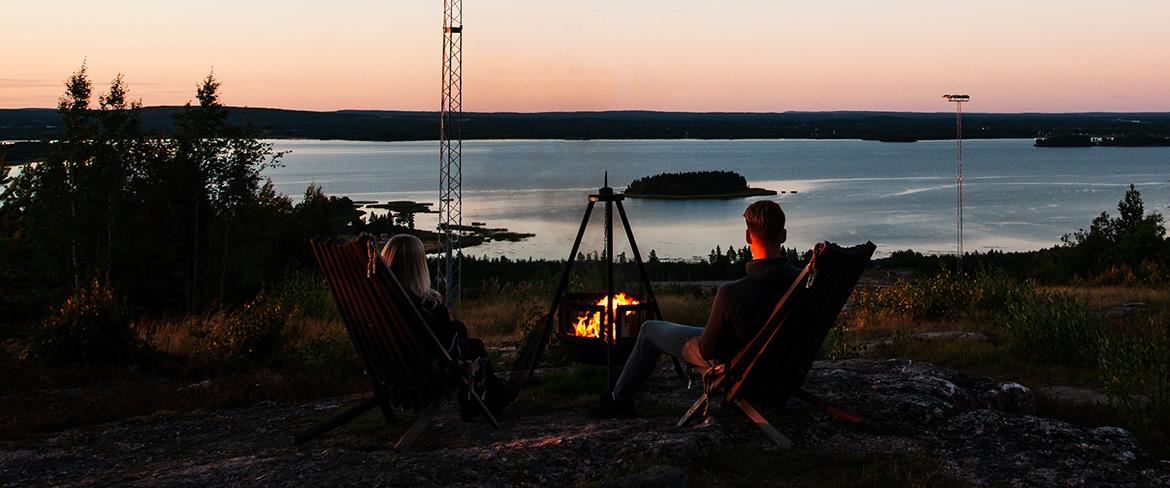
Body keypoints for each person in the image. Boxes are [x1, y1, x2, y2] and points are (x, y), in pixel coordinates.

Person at [588, 200, 802, 418]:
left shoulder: (732, 293)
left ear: (747, 237)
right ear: (783, 235)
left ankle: (619, 399)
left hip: (736, 366)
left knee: (649, 330)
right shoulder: (803, 285)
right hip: (782, 368)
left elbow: (707, 350)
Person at [380, 234, 511, 419]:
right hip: (424, 374)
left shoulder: (382, 303)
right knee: (475, 346)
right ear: (418, 268)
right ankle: (494, 399)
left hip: (395, 369)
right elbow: (449, 351)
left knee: (458, 327)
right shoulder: (428, 308)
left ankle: (470, 404)